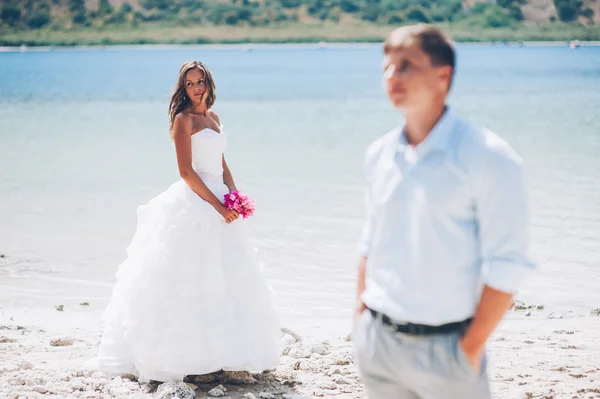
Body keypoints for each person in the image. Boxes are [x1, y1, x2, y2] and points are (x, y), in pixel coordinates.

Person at [352, 24, 536, 398]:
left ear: (443, 76)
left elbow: (508, 263)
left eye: (406, 65)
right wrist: (359, 324)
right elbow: (371, 243)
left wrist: (469, 347)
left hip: (448, 348)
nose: (392, 76)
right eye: (387, 66)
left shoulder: (487, 155)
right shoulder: (381, 154)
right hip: (379, 343)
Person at [97, 61, 282, 382]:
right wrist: (215, 206)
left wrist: (234, 196)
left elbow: (222, 164)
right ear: (182, 89)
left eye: (200, 81)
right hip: (196, 202)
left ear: (209, 84)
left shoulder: (214, 118)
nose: (196, 87)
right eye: (189, 83)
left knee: (227, 278)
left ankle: (226, 354)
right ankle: (191, 361)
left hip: (221, 199)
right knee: (193, 279)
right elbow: (186, 171)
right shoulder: (183, 121)